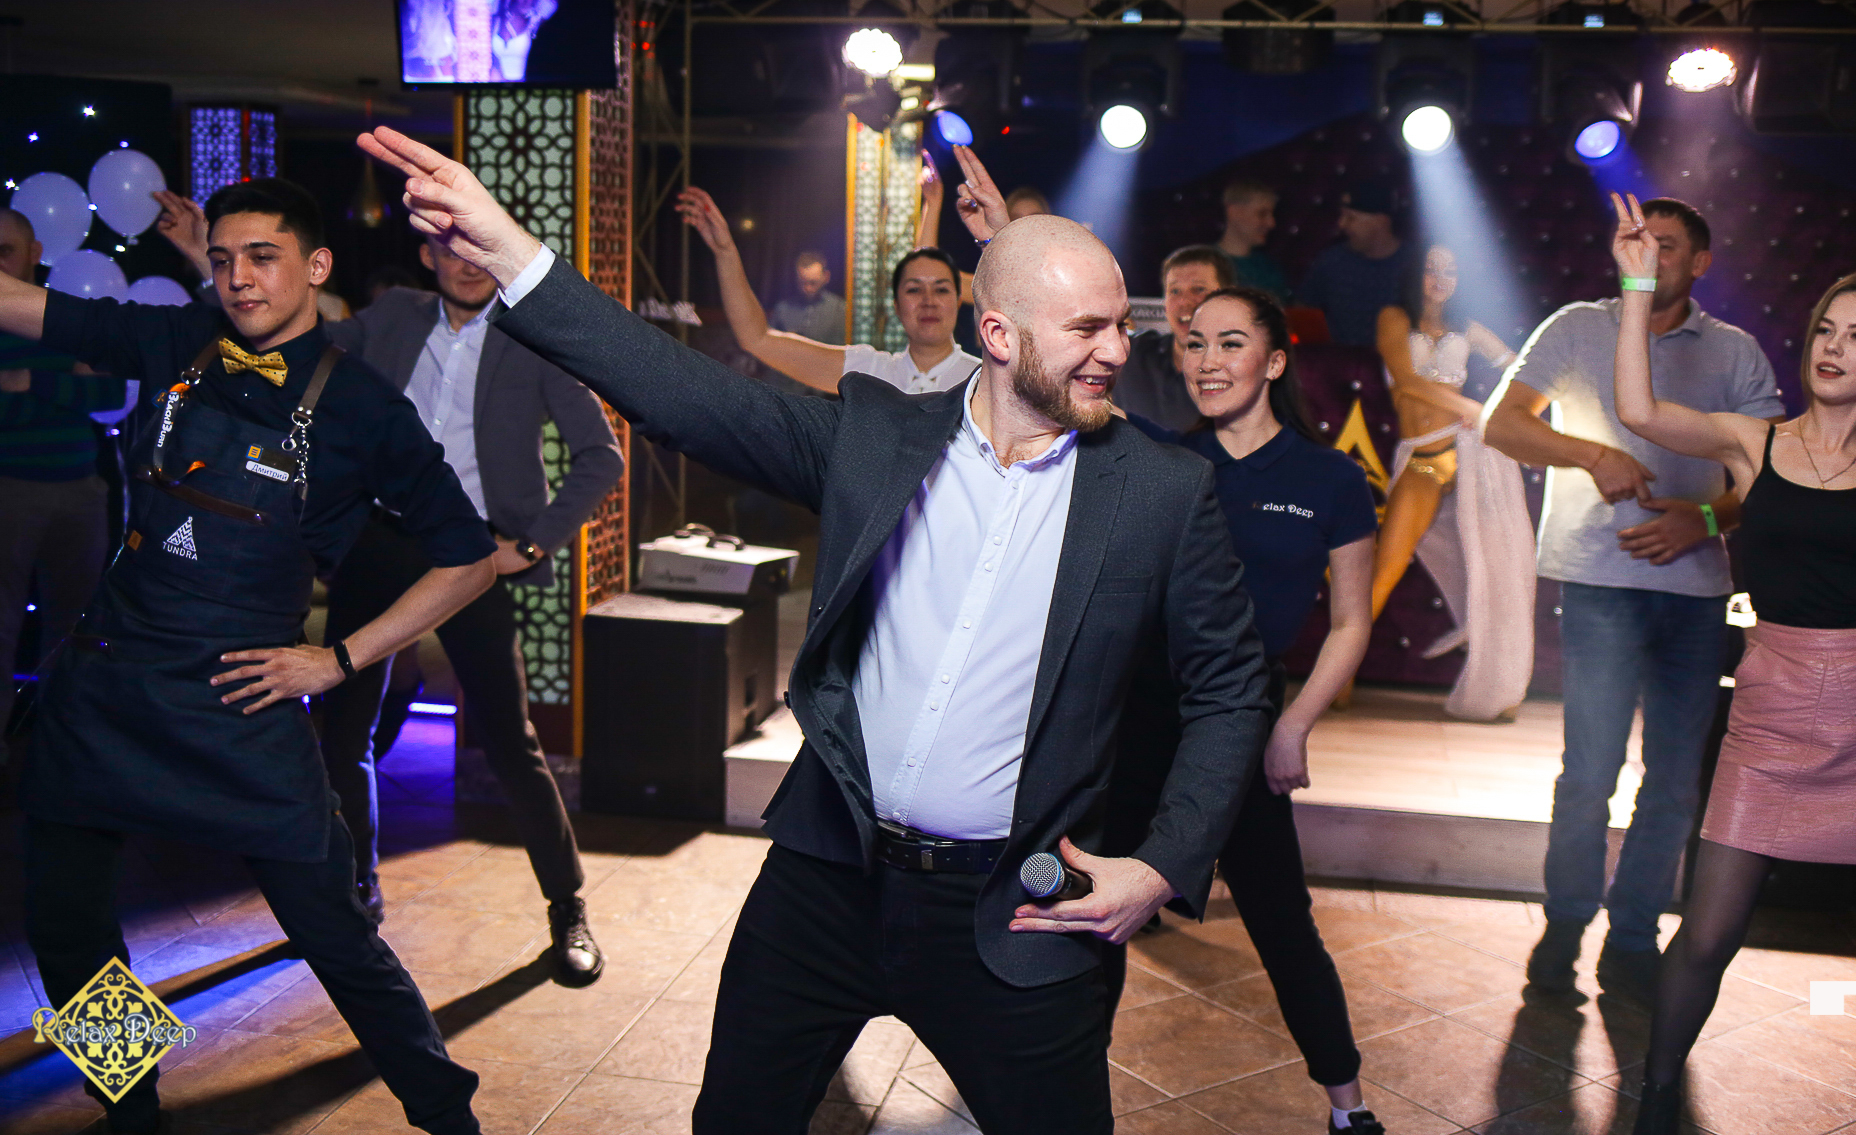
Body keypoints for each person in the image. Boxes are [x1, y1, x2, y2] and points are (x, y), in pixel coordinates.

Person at [358, 123, 1272, 1134]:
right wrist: (511, 253)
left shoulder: (1162, 490)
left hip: (1019, 909)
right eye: (1089, 328)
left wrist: (1164, 860)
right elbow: (681, 392)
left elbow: (1232, 688)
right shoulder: (877, 436)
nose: (1120, 349)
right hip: (827, 882)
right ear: (1002, 336)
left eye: (1120, 325)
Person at [0, 177, 496, 1135]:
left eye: (263, 257)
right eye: (223, 259)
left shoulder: (362, 406)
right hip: (111, 684)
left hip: (242, 703)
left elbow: (468, 559)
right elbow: (19, 304)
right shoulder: (172, 340)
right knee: (64, 919)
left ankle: (447, 1115)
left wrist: (338, 659)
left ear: (315, 267)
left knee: (333, 932)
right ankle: (131, 1107)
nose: (237, 278)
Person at [1607, 199, 1856, 1133]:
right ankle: (1655, 1102)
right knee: (1707, 932)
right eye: (1825, 329)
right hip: (1774, 713)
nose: (1833, 347)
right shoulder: (1759, 440)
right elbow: (1639, 411)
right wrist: (1635, 285)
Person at [1482, 196, 1782, 1009]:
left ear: (1702, 262)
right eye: (1639, 241)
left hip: (1696, 593)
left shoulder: (1734, 351)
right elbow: (1501, 425)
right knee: (1589, 772)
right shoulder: (1579, 324)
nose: (1651, 254)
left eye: (1669, 244)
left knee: (1676, 780)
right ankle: (1564, 927)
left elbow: (1770, 476)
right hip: (1599, 583)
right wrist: (1590, 454)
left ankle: (1633, 938)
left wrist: (1705, 519)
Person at [320, 233, 624, 981]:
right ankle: (355, 891)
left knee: (509, 741)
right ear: (426, 254)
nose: (464, 262)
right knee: (342, 731)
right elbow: (300, 343)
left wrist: (532, 543)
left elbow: (601, 456)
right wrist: (206, 266)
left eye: (475, 248)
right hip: (379, 542)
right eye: (448, 248)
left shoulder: (534, 339)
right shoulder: (393, 315)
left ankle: (567, 907)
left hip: (470, 553)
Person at [1127, 287, 1386, 1134]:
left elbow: (1351, 622)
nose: (1206, 361)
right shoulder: (1166, 460)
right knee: (1086, 913)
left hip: (1240, 719)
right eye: (1194, 342)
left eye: (1230, 343)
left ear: (1274, 362)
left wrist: (1292, 725)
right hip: (1137, 716)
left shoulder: (1330, 479)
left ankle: (1349, 1108)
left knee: (1280, 921)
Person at [1369, 244, 1533, 722]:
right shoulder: (1394, 318)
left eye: (1450, 270)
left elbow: (1521, 368)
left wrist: (1498, 413)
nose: (1440, 278)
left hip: (1467, 454)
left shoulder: (1469, 328)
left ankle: (1498, 688)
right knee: (1385, 569)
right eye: (1431, 268)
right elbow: (1406, 382)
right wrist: (1473, 409)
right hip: (1423, 457)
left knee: (1496, 567)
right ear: (1415, 272)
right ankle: (1334, 682)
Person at [679, 185, 978, 395]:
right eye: (914, 290)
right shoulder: (872, 372)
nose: (928, 301)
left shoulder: (981, 380)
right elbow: (756, 338)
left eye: (941, 290)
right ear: (897, 306)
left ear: (959, 300)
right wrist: (726, 253)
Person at [0, 209, 124, 712]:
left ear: (34, 253)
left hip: (80, 490)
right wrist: (70, 385)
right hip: (9, 487)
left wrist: (29, 381)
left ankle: (61, 745)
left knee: (77, 632)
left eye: (6, 251)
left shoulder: (67, 317)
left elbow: (111, 393)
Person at [916, 150, 1051, 355]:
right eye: (1016, 218)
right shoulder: (989, 285)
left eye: (1034, 217)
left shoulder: (1060, 285)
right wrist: (933, 202)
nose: (1025, 224)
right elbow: (928, 271)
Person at [1112, 244, 1230, 431]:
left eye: (1198, 289)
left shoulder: (1242, 373)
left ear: (1228, 297)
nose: (1184, 301)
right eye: (1174, 291)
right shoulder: (1129, 354)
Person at [1296, 181, 1411, 346]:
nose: (1341, 224)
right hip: (1338, 358)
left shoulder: (1414, 263)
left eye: (1351, 217)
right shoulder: (1332, 261)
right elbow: (1302, 310)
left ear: (1381, 221)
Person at [1215, 179, 1290, 301]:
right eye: (1262, 214)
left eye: (1272, 214)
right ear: (1234, 212)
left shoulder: (1269, 267)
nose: (1271, 223)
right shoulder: (1206, 262)